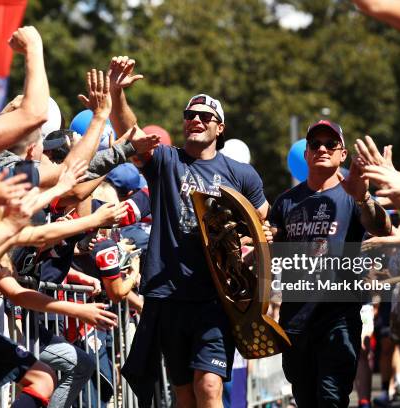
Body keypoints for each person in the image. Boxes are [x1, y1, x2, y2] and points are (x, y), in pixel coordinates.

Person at [110, 56, 270, 407]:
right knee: (183, 394)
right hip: (168, 296)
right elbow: (130, 133)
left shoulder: (241, 174)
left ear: (220, 127)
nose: (195, 120)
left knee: (209, 386)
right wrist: (117, 93)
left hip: (215, 297)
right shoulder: (166, 161)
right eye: (189, 116)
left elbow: (261, 222)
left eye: (205, 117)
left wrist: (249, 242)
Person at [268, 120, 391, 407]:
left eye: (330, 144)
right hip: (295, 319)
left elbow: (382, 228)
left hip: (338, 316)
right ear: (307, 154)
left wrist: (364, 198)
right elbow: (273, 253)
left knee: (332, 398)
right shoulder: (286, 202)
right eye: (315, 144)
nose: (322, 148)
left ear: (342, 153)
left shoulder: (353, 196)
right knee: (306, 399)